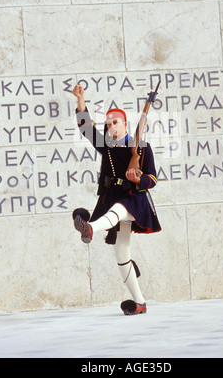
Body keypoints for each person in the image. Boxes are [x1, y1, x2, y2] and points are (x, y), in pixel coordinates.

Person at [72, 84, 161, 315]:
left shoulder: (141, 148)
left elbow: (152, 178)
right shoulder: (108, 147)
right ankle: (139, 303)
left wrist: (138, 178)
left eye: (115, 122)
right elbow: (86, 129)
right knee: (122, 254)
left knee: (119, 210)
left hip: (134, 199)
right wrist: (81, 101)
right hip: (112, 196)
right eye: (109, 123)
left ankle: (89, 228)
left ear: (125, 125)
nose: (111, 126)